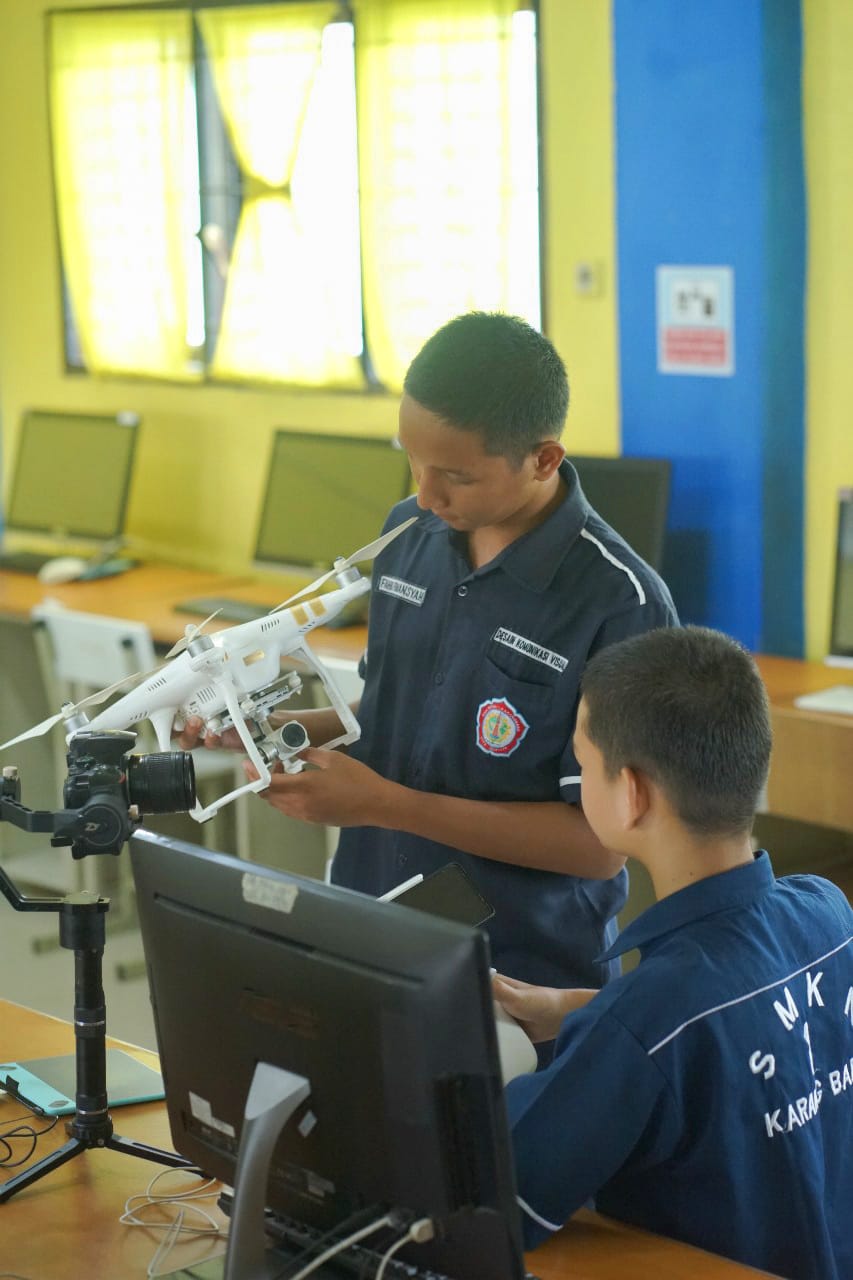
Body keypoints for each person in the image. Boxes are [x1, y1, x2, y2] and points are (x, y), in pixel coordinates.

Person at [180, 311, 677, 996]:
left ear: (543, 459)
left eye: (455, 476)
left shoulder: (620, 603)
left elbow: (598, 847)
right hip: (371, 924)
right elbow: (394, 713)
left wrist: (383, 804)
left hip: (521, 970)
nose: (424, 493)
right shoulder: (408, 533)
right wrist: (269, 727)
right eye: (411, 460)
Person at [495, 625, 853, 1280]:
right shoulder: (829, 912)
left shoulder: (647, 1019)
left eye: (582, 763)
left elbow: (504, 1196)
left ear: (631, 794)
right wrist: (585, 1013)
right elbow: (742, 1024)